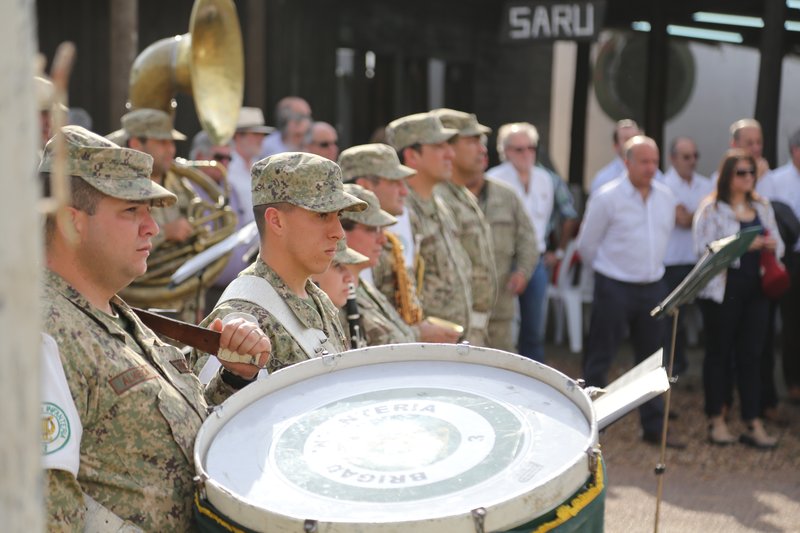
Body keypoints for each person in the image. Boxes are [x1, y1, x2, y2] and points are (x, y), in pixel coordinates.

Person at [39, 126, 271, 531]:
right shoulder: (39, 334)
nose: (153, 228)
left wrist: (235, 378)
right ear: (70, 222)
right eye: (131, 211)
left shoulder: (118, 315)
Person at [196, 152, 367, 374]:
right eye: (322, 215)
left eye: (339, 215)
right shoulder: (241, 315)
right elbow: (212, 406)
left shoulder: (318, 299)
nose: (339, 232)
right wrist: (235, 378)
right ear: (276, 221)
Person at [577, 135, 684, 448]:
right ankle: (591, 425)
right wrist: (609, 273)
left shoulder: (665, 196)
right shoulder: (607, 196)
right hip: (614, 285)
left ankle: (653, 426)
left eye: (654, 161)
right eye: (644, 162)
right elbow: (587, 245)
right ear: (627, 163)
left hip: (653, 286)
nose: (651, 168)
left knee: (653, 362)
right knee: (600, 357)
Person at [693, 149, 783, 448]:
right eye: (741, 172)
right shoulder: (712, 209)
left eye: (751, 173)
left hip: (757, 290)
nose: (747, 178)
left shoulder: (762, 206)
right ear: (727, 176)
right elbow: (703, 250)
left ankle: (752, 421)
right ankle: (716, 419)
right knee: (719, 354)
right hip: (723, 291)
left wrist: (770, 245)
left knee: (752, 355)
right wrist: (742, 246)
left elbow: (779, 245)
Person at [339, 143, 461, 343]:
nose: (404, 191)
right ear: (366, 185)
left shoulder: (394, 235)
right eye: (395, 182)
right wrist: (416, 334)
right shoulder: (341, 259)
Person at [487, 122, 578, 361]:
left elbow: (567, 215)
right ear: (505, 151)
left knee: (534, 330)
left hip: (536, 261)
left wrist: (557, 252)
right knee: (499, 325)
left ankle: (534, 381)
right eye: (519, 149)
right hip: (501, 262)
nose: (526, 153)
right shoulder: (492, 180)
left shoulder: (546, 179)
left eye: (531, 148)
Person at [110, 108, 205, 322]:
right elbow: (109, 246)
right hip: (136, 309)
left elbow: (196, 249)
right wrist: (165, 233)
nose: (171, 149)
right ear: (136, 144)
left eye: (171, 142)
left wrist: (197, 304)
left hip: (183, 310)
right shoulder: (116, 189)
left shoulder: (181, 186)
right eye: (162, 142)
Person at [386, 112, 473, 338]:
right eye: (439, 146)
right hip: (427, 344)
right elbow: (396, 289)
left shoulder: (441, 203)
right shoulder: (400, 212)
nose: (450, 154)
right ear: (412, 156)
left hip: (453, 339)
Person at [465, 138, 539, 353]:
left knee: (503, 361)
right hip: (461, 307)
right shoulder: (446, 197)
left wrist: (522, 272)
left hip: (499, 303)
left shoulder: (506, 196)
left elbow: (527, 238)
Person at [432, 108, 498, 346]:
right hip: (449, 332)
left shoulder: (460, 193)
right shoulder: (437, 197)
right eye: (471, 141)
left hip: (474, 326)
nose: (482, 149)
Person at [207, 107, 275, 311]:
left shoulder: (257, 165)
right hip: (230, 261)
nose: (260, 140)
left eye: (262, 135)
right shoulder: (225, 167)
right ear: (238, 136)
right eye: (255, 134)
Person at [662, 136, 714, 377]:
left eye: (695, 156)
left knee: (709, 315)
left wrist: (689, 214)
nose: (692, 161)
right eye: (686, 156)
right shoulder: (664, 184)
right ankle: (673, 367)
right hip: (672, 261)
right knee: (674, 319)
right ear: (673, 159)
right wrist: (697, 215)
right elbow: (681, 220)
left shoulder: (705, 185)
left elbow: (696, 218)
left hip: (700, 260)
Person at [341, 184, 417, 345]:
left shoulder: (362, 286)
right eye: (372, 229)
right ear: (342, 231)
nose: (383, 239)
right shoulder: (336, 293)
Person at [757, 127, 800, 407]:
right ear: (796, 151)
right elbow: (763, 217)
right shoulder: (774, 180)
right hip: (790, 259)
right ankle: (794, 382)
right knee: (792, 322)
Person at [589, 119, 642, 194]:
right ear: (616, 146)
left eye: (635, 138)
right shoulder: (603, 180)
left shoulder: (655, 175)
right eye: (627, 139)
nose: (632, 143)